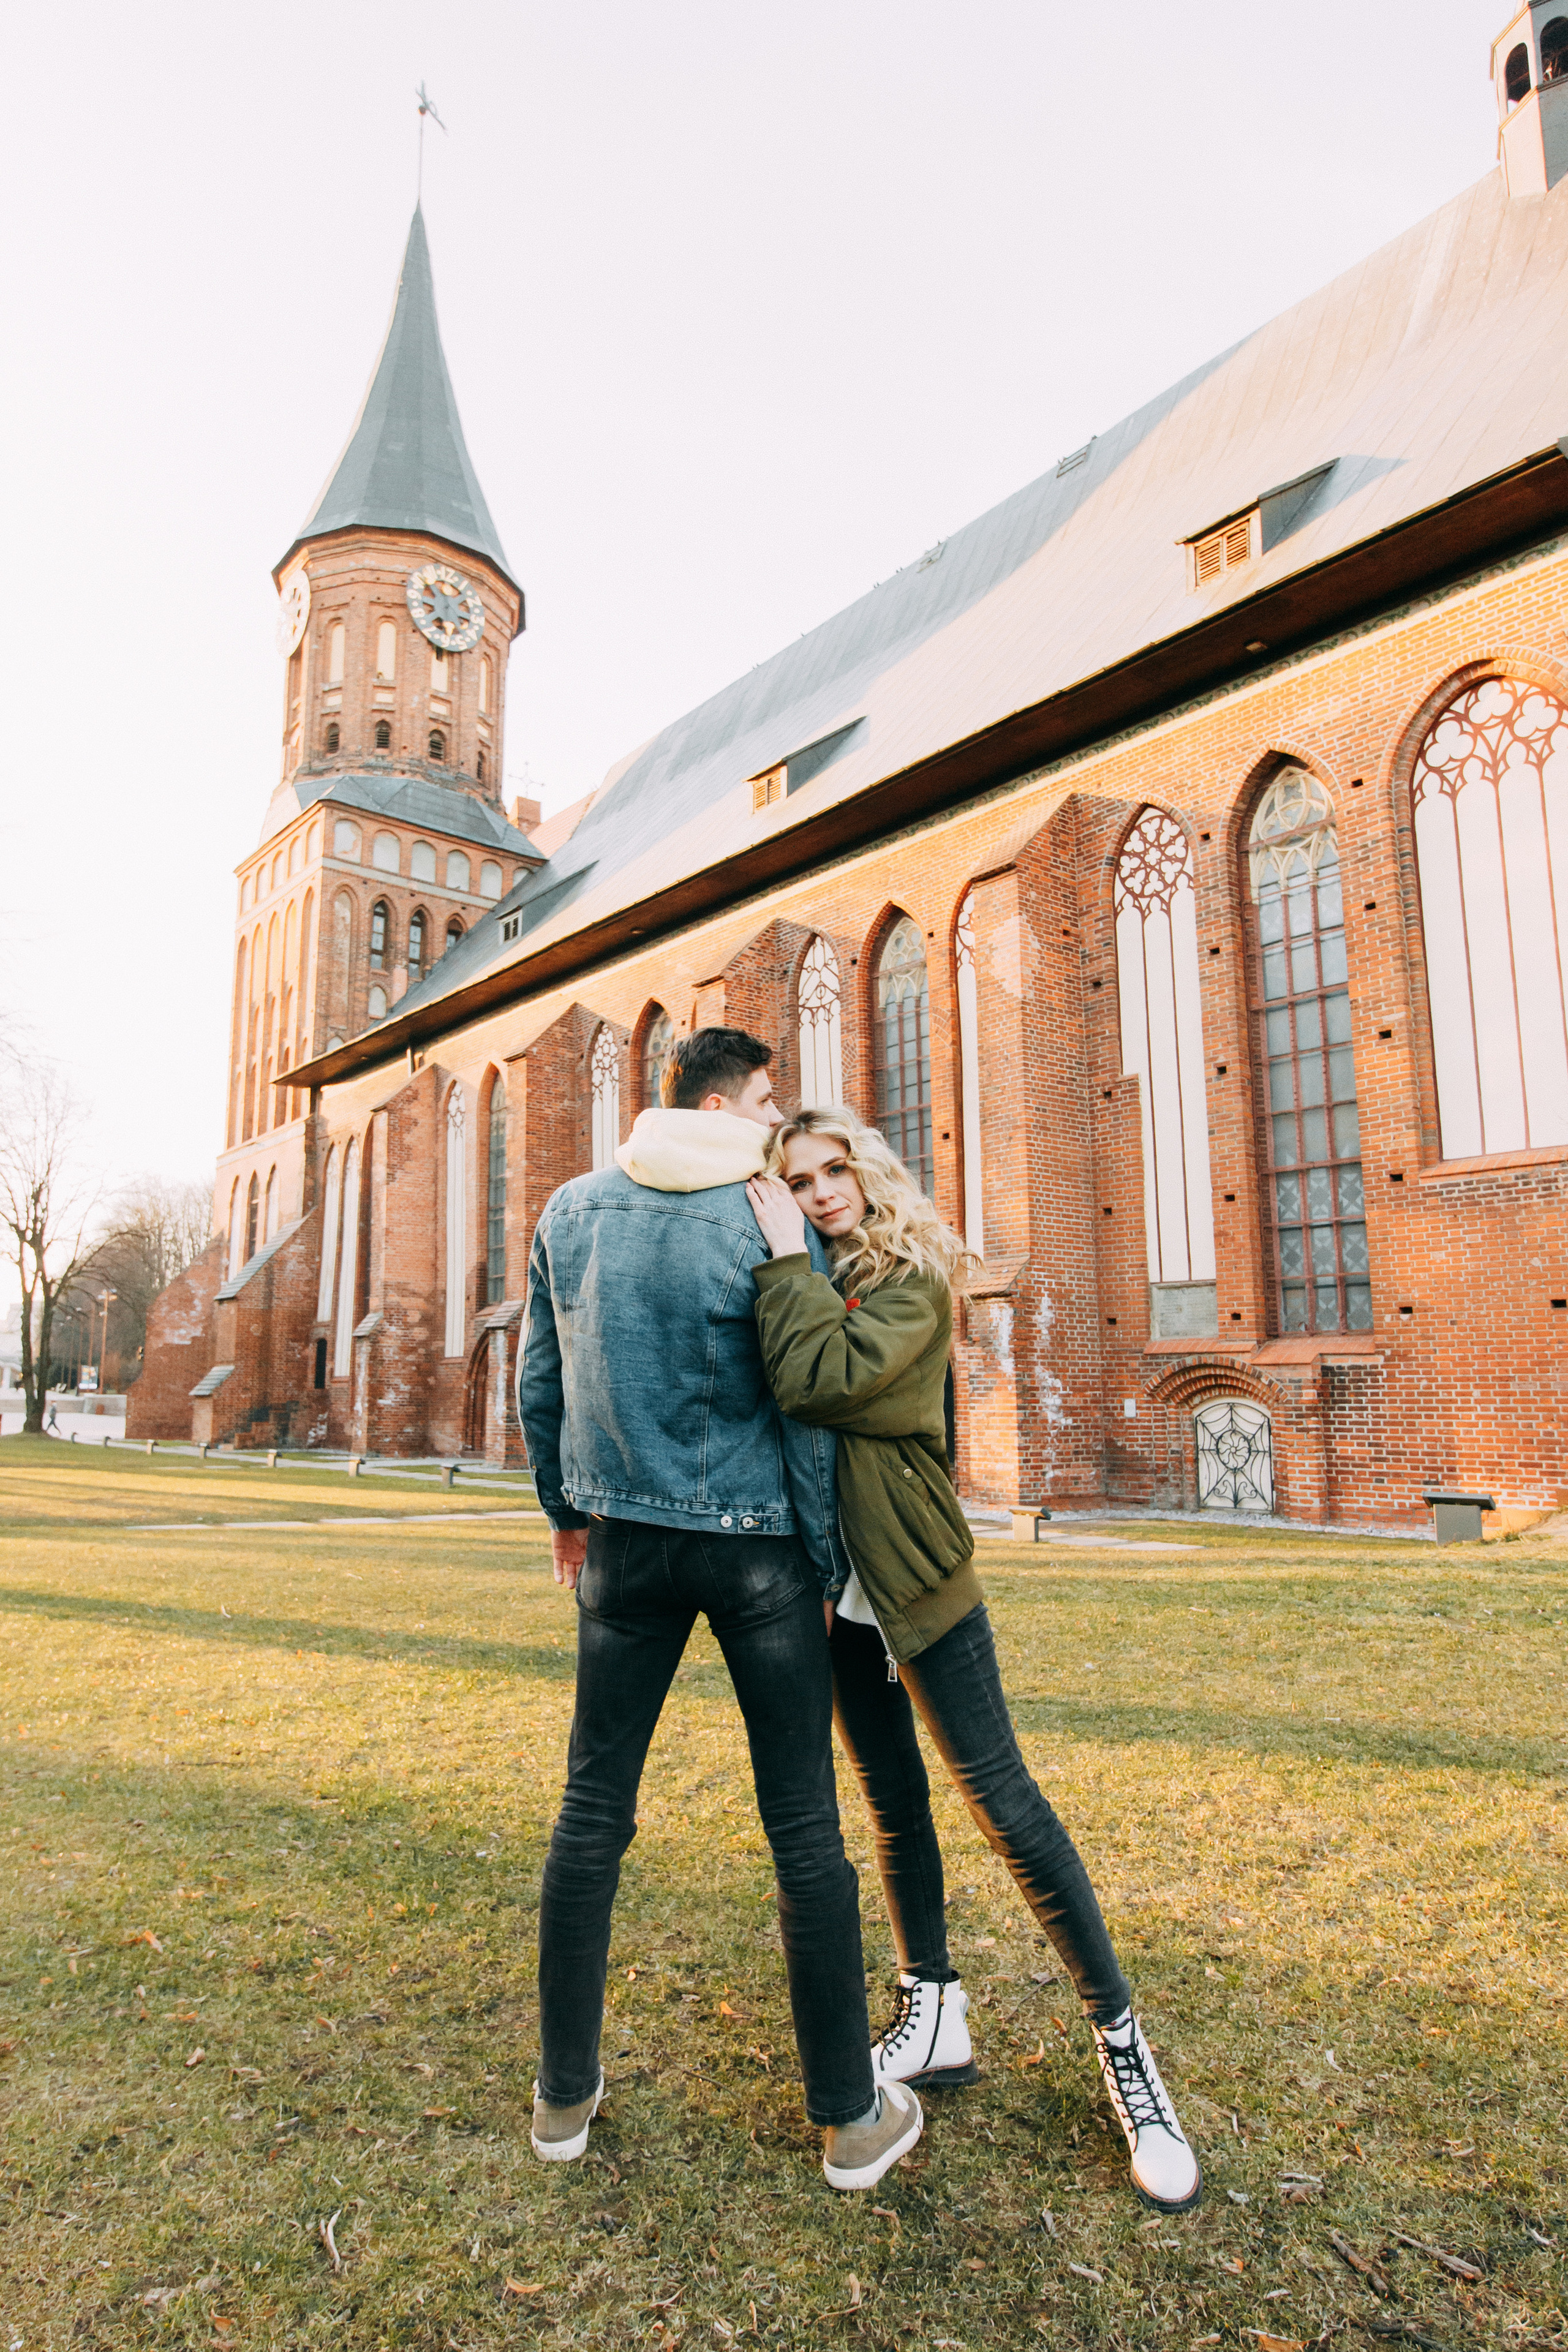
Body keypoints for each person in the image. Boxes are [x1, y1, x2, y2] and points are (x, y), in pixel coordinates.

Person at [745, 1106, 1201, 2214]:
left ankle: (1123, 2048)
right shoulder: (819, 1276)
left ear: (868, 1172)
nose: (820, 1195)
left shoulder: (913, 1282)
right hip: (836, 1597)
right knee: (893, 1806)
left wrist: (775, 1268)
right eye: (797, 1183)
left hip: (921, 1582)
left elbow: (816, 1381)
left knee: (1005, 1804)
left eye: (833, 1172)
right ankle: (934, 2005)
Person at [516, 1030, 924, 2192]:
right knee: (803, 1825)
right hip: (756, 1551)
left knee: (592, 1812)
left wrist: (565, 1508)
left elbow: (540, 1379)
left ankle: (563, 2099)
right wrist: (819, 1553)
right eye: (764, 1098)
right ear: (724, 1099)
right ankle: (849, 2117)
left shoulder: (571, 1206)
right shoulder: (763, 1215)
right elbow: (801, 1403)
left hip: (624, 1551)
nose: (774, 1118)